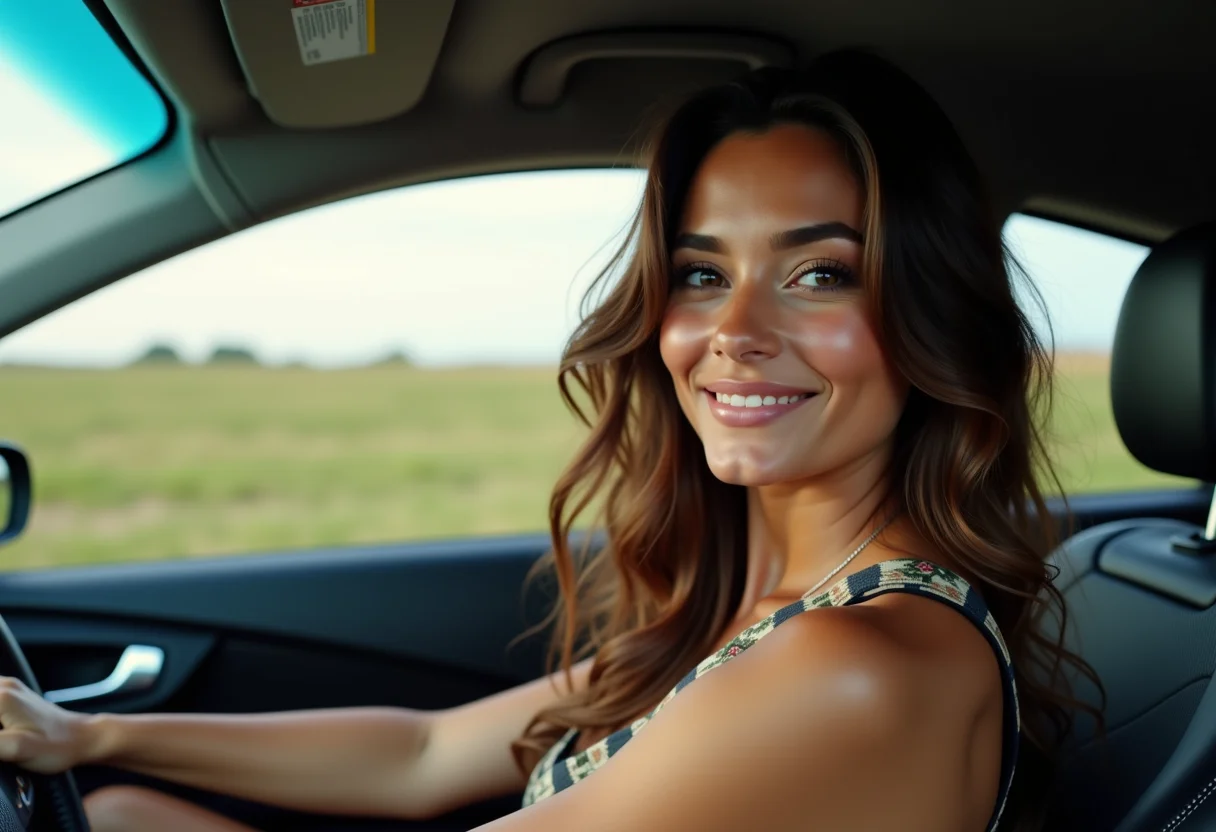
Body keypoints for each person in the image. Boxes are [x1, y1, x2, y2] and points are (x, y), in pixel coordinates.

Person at [0, 49, 1103, 832]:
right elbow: (422, 755)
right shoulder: (757, 618)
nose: (732, 333)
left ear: (927, 315)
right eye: (700, 274)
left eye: (819, 274)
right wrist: (88, 739)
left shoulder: (858, 667)